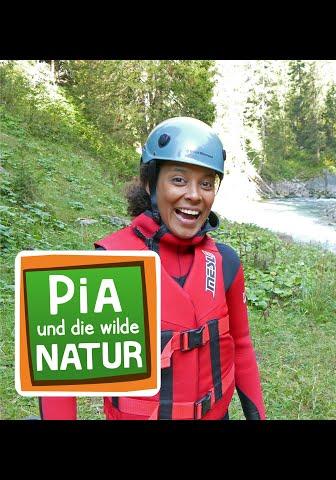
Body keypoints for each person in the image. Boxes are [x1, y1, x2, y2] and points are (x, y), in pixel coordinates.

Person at [39, 117, 266, 420]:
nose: (195, 195)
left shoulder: (226, 263)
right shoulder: (110, 263)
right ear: (150, 184)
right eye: (179, 180)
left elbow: (241, 346)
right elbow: (59, 378)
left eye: (207, 183)